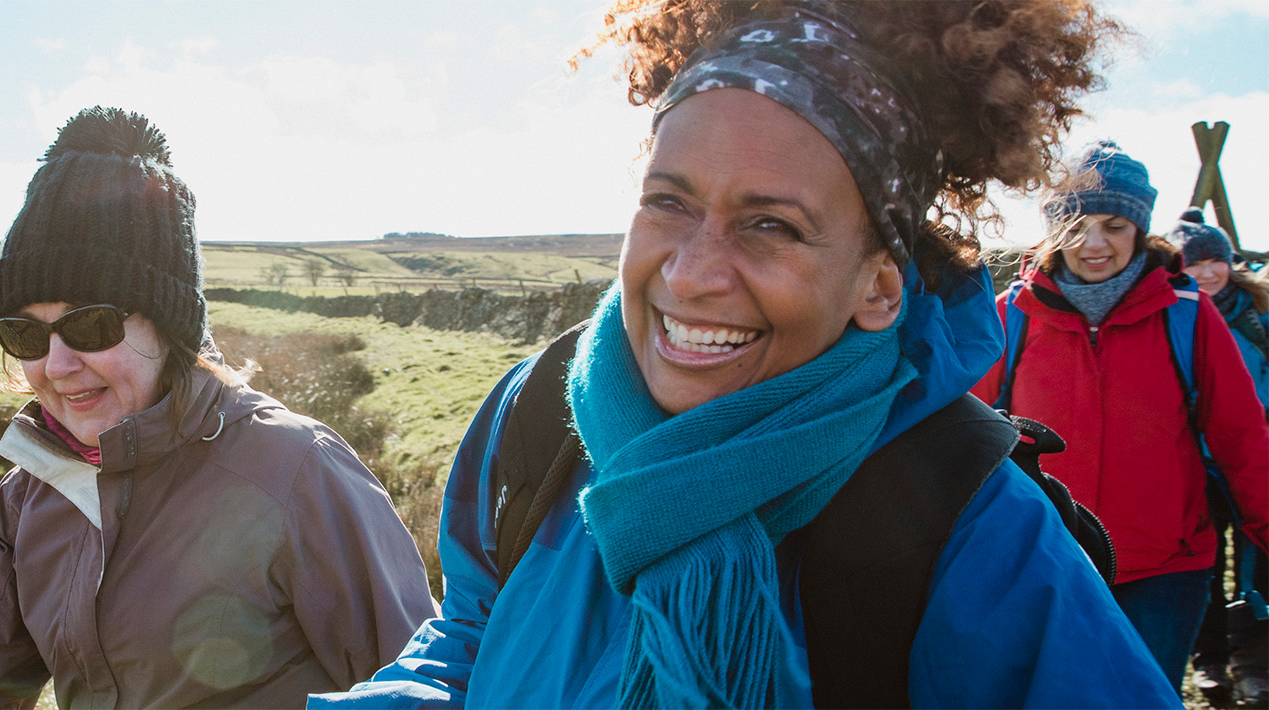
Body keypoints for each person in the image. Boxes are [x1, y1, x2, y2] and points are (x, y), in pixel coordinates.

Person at [312, 2, 1181, 708]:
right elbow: (471, 632)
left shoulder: (967, 523)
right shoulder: (540, 409)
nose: (690, 276)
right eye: (668, 203)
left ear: (879, 287)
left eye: (772, 225)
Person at [0, 106, 437, 709]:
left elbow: (414, 686)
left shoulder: (295, 470)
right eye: (24, 335)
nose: (56, 365)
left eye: (90, 325)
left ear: (169, 326)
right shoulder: (31, 496)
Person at [970, 143, 1269, 694]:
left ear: (1139, 229)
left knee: (1140, 698)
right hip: (1047, 559)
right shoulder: (1012, 316)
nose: (1094, 243)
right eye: (1077, 224)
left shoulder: (1187, 314)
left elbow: (1240, 435)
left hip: (1166, 567)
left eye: (1113, 225)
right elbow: (962, 433)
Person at [1173, 207, 1269, 708]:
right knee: (1204, 567)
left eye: (1217, 261)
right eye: (1196, 264)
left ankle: (1254, 664)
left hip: (1253, 457)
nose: (1208, 273)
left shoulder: (1258, 317)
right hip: (1196, 462)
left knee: (1258, 563)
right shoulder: (1178, 319)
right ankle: (1209, 661)